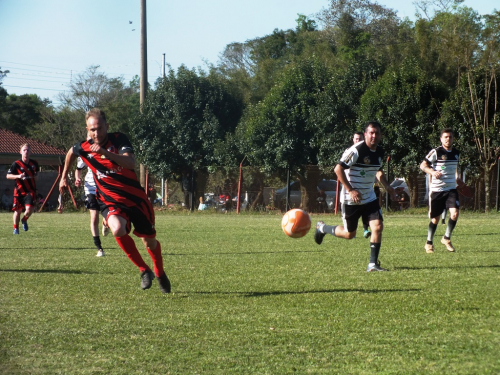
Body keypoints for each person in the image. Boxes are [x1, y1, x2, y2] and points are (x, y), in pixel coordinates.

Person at [59, 108, 171, 293]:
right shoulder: (84, 147)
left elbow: (130, 163)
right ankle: (144, 270)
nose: (96, 133)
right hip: (110, 200)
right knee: (117, 229)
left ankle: (159, 271)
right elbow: (71, 152)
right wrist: (64, 177)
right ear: (87, 130)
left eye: (99, 128)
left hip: (136, 199)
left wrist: (104, 152)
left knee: (149, 242)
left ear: (107, 127)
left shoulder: (119, 139)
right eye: (92, 130)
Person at [313, 122, 396, 272]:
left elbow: (378, 171)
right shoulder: (357, 150)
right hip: (350, 199)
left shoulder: (380, 152)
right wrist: (350, 190)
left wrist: (387, 186)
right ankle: (322, 228)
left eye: (377, 133)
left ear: (380, 135)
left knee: (377, 226)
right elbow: (338, 169)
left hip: (369, 197)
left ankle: (372, 264)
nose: (374, 135)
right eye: (371, 133)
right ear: (365, 135)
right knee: (349, 234)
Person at [420, 128, 462, 253]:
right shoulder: (436, 152)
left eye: (450, 137)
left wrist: (457, 179)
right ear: (441, 139)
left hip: (451, 189)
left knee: (454, 214)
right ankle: (428, 243)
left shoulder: (456, 153)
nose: (448, 139)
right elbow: (423, 165)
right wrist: (432, 171)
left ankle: (446, 238)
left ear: (453, 138)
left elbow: (455, 168)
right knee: (435, 219)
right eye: (446, 137)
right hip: (437, 190)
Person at [75, 155, 109, 257]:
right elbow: (78, 169)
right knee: (94, 217)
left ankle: (105, 222)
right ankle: (99, 248)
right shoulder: (86, 153)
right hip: (90, 187)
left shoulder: (107, 150)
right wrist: (77, 178)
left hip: (104, 187)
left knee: (110, 216)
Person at [6, 144, 39, 235]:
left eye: (28, 150)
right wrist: (18, 176)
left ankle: (24, 220)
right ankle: (16, 229)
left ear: (30, 152)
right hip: (19, 191)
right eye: (24, 150)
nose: (26, 152)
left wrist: (36, 177)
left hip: (30, 190)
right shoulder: (16, 164)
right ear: (20, 152)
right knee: (18, 211)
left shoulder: (34, 163)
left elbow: (36, 174)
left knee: (29, 209)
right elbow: (8, 176)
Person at [352, 131, 372, 239]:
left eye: (359, 139)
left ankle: (365, 230)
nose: (358, 140)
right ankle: (352, 232)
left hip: (364, 187)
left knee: (365, 209)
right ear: (353, 140)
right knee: (354, 212)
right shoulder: (350, 152)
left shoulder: (366, 152)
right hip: (352, 187)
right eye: (356, 139)